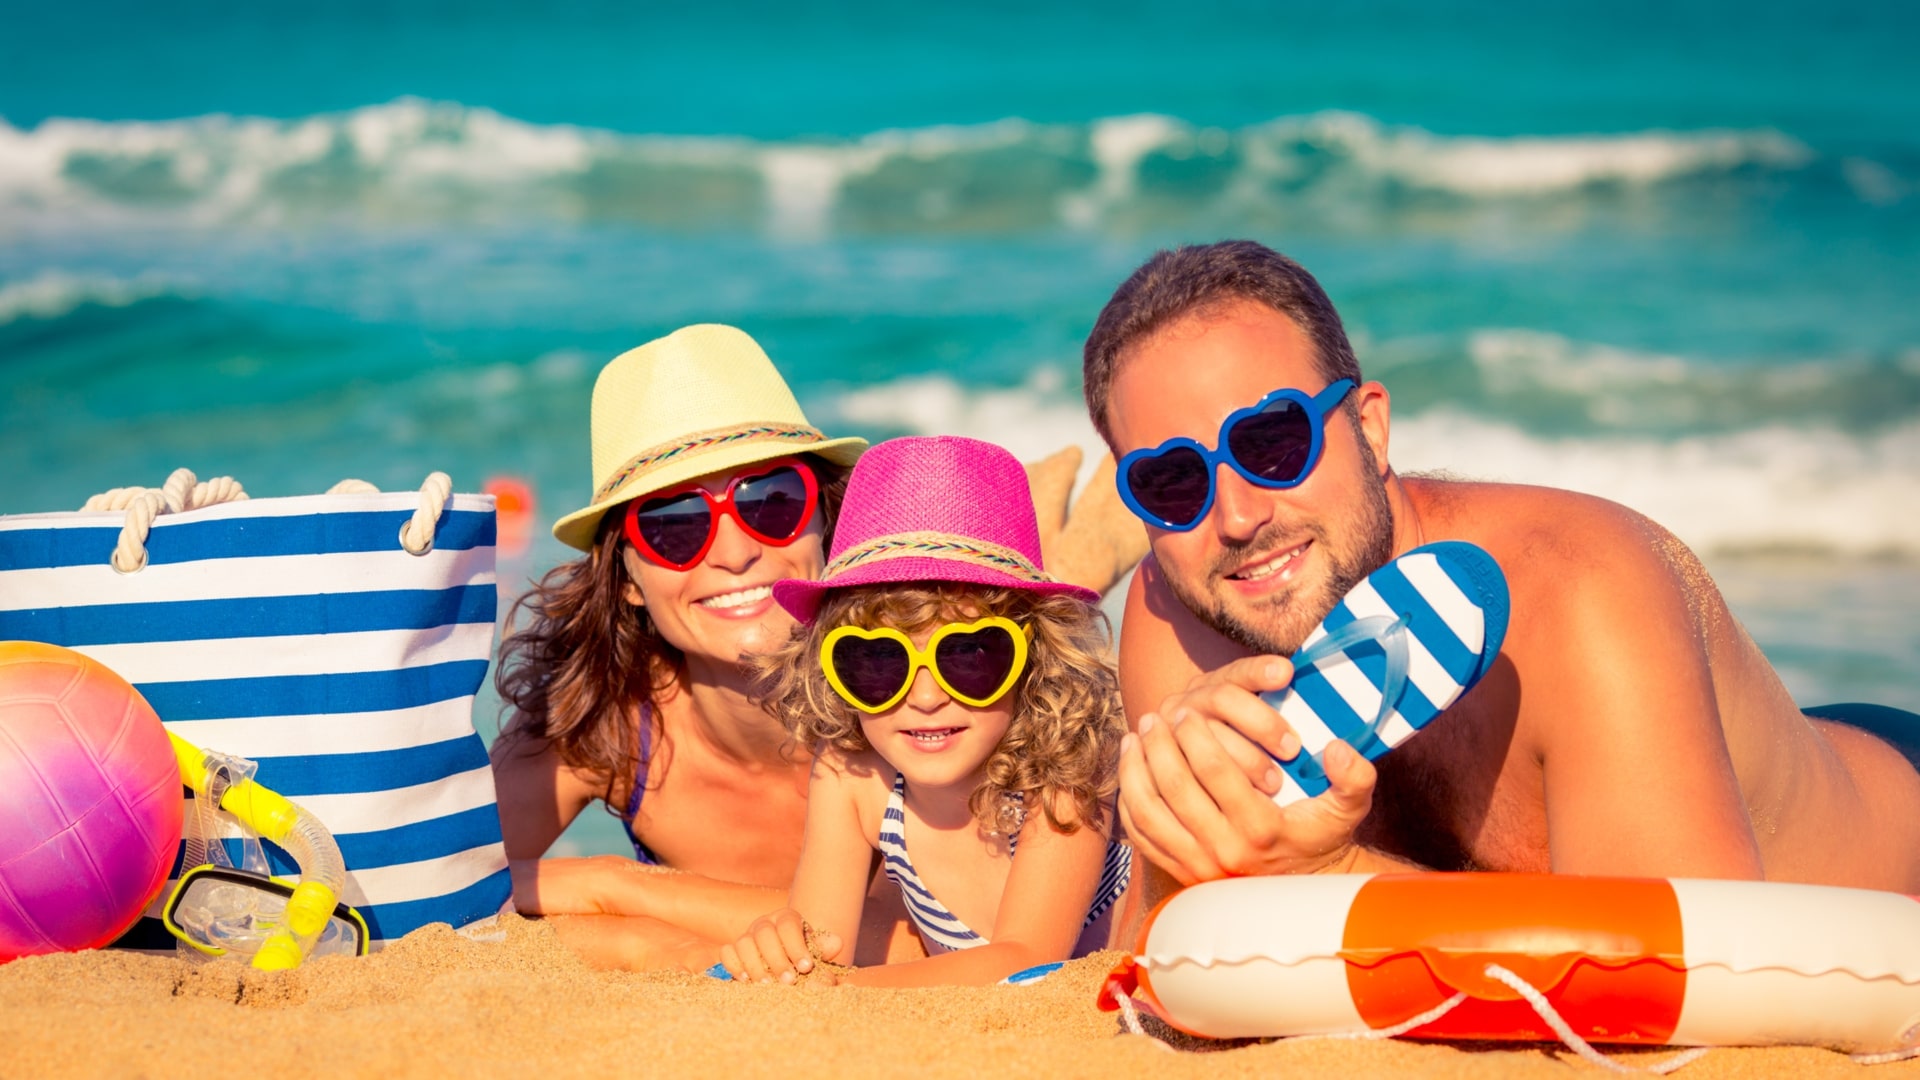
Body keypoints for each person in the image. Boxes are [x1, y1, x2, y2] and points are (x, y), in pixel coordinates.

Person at [1084, 240, 1920, 909]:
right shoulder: (1180, 611)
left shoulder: (1579, 588)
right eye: (1172, 483)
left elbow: (1684, 970)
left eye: (1273, 441)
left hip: (1886, 818)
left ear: (1369, 429)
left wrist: (1331, 878)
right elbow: (1167, 943)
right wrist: (1173, 840)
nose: (1234, 517)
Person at [493, 324, 1143, 970]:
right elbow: (433, 887)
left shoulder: (910, 724)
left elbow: (920, 946)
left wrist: (619, 889)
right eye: (675, 526)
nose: (736, 552)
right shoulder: (605, 730)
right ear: (625, 575)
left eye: (770, 501)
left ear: (825, 520)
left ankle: (1058, 579)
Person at [720, 436, 1132, 986]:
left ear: (1033, 658)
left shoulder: (1071, 762)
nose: (926, 697)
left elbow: (1029, 960)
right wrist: (779, 949)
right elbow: (819, 948)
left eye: (968, 654)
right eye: (877, 660)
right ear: (830, 668)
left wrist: (834, 990)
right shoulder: (853, 774)